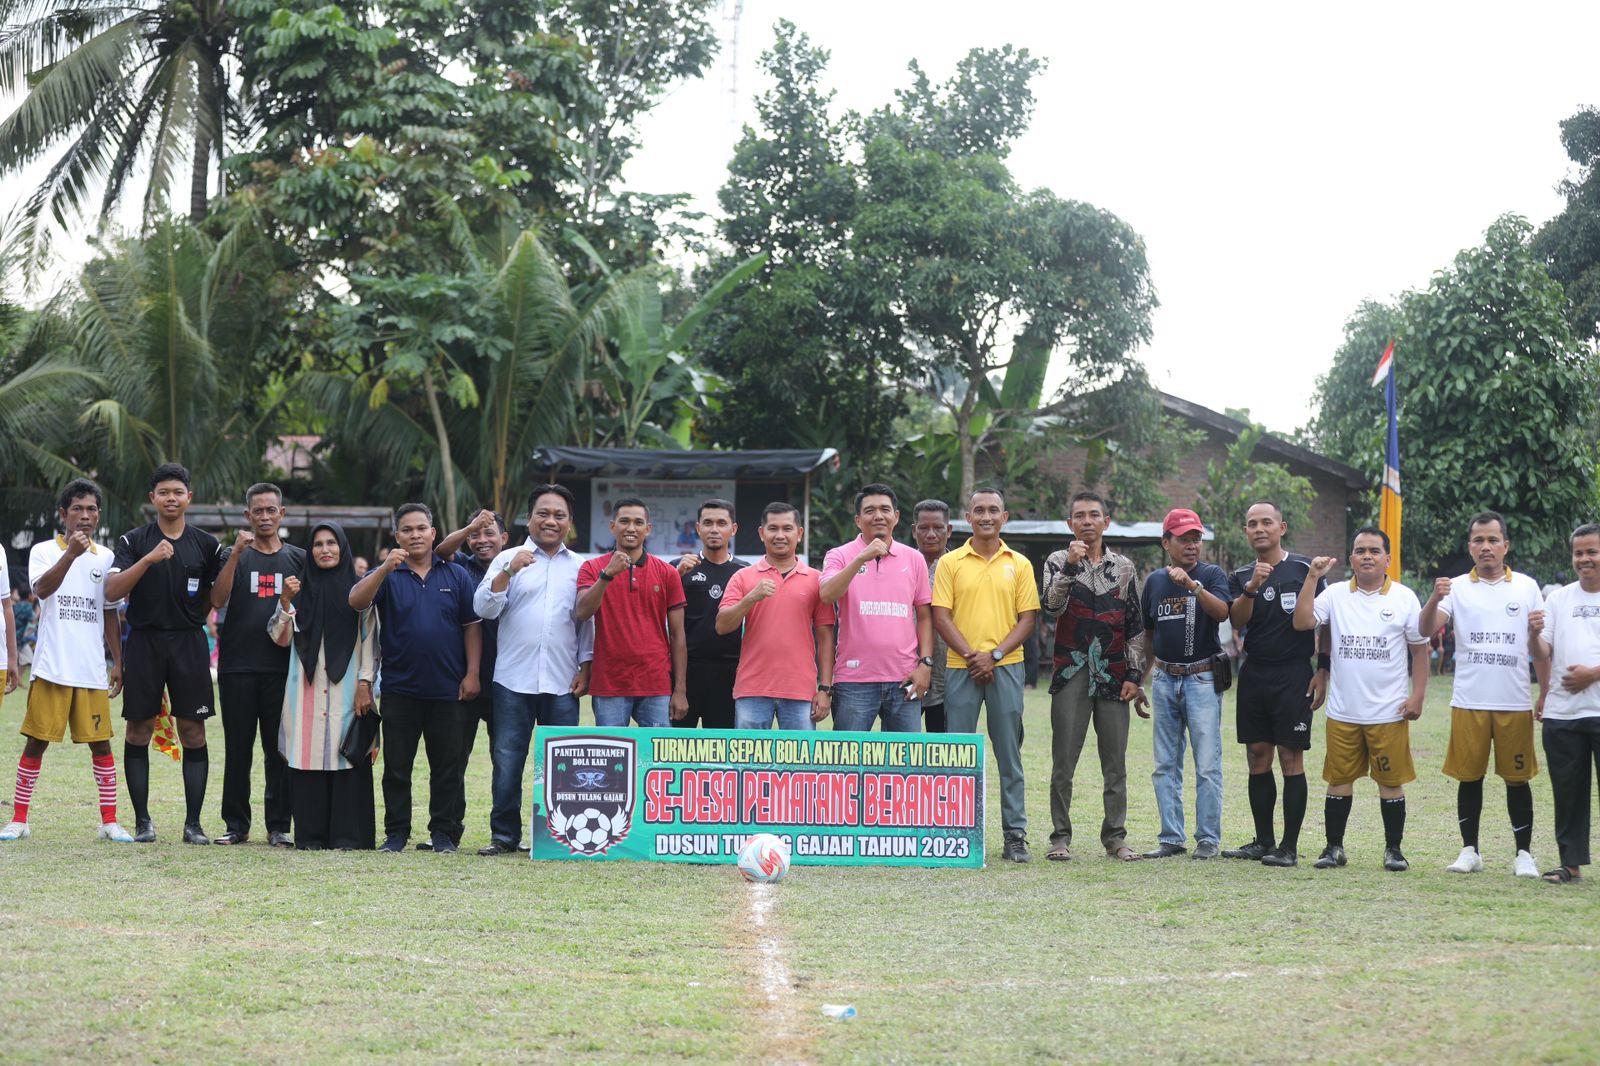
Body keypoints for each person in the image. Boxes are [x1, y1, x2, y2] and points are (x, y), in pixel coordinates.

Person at [1418, 511, 1549, 878]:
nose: (1486, 546)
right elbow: (1426, 629)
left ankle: (1523, 854)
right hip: (1469, 700)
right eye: (1479, 540)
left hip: (1514, 700)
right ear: (1470, 546)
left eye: (1493, 540)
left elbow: (1539, 651)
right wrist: (1433, 598)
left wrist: (1545, 687)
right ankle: (1470, 850)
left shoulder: (1526, 586)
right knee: (1469, 776)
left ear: (1505, 546)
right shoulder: (1456, 587)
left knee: (1517, 779)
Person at [0, 479, 132, 843]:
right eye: (77, 509)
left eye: (91, 510)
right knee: (35, 742)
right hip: (52, 665)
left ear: (98, 515)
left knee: (102, 745)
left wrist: (117, 662)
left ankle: (109, 821)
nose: (85, 516)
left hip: (91, 670)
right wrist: (71, 554)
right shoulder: (43, 550)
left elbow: (109, 613)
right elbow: (41, 590)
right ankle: (19, 819)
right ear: (63, 514)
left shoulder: (106, 558)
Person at [1292, 528, 1429, 872]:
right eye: (1360, 550)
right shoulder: (1335, 594)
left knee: (1390, 782)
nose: (1367, 556)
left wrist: (1418, 696)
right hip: (1343, 711)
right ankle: (1333, 847)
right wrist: (1312, 577)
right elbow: (1303, 621)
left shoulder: (1404, 597)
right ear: (1350, 558)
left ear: (1387, 558)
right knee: (1339, 780)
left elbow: (1420, 650)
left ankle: (1394, 850)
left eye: (1374, 550)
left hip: (1389, 712)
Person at [103, 463, 226, 845]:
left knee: (193, 731)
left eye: (178, 491)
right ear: (152, 498)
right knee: (138, 730)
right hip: (144, 641)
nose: (171, 498)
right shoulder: (133, 541)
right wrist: (149, 559)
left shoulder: (207, 544)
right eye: (164, 492)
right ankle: (143, 821)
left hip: (189, 642)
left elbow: (218, 597)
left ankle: (194, 824)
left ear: (189, 497)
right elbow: (111, 592)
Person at [348, 503, 481, 853]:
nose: (415, 534)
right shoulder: (388, 574)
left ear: (433, 533)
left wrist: (472, 674)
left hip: (448, 689)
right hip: (399, 689)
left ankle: (443, 833)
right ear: (398, 537)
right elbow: (356, 601)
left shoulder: (455, 575)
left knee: (447, 768)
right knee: (397, 768)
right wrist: (381, 570)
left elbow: (471, 628)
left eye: (421, 528)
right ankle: (396, 834)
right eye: (407, 529)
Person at [472, 485, 593, 856]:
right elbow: (483, 608)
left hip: (562, 680)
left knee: (562, 764)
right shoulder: (509, 557)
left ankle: (561, 837)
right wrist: (508, 571)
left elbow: (587, 622)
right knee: (507, 760)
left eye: (559, 515)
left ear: (570, 523)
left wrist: (586, 667)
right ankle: (504, 837)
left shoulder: (581, 566)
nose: (551, 521)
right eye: (543, 513)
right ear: (530, 517)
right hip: (512, 679)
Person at [933, 488, 1039, 863]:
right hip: (962, 668)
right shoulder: (951, 562)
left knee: (1008, 753)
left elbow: (1028, 619)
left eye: (993, 510)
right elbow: (941, 616)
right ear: (968, 516)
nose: (986, 516)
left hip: (1006, 666)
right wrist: (971, 655)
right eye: (979, 510)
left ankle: (1015, 835)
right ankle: (955, 832)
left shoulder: (1020, 563)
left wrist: (993, 655)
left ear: (1005, 516)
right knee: (957, 754)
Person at [1222, 501, 1330, 868]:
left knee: (1290, 756)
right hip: (1255, 673)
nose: (1259, 529)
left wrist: (1323, 669)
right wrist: (1252, 586)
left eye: (1266, 522)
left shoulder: (1305, 569)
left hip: (1294, 673)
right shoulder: (1240, 574)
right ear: (1246, 531)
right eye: (1252, 524)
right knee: (1257, 756)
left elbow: (1325, 623)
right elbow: (1236, 621)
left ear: (1281, 527)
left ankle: (1289, 845)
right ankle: (1264, 840)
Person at [1040, 491, 1145, 864]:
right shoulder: (1056, 560)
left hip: (1115, 675)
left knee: (1115, 762)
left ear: (1106, 522)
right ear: (1070, 524)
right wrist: (1070, 566)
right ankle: (1060, 838)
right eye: (1079, 516)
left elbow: (1135, 624)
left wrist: (1136, 673)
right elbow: (1051, 608)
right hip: (1071, 671)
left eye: (1093, 515)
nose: (1086, 521)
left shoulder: (1125, 567)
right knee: (1063, 761)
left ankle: (1115, 838)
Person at [269, 522, 378, 849]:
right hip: (305, 689)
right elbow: (279, 636)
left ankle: (348, 837)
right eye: (318, 544)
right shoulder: (299, 591)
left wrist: (365, 683)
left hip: (348, 690)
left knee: (347, 757)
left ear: (342, 548)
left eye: (332, 543)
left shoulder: (359, 593)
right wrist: (285, 602)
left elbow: (370, 640)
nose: (325, 549)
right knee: (308, 756)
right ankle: (311, 836)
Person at [209, 483, 305, 847]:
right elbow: (216, 600)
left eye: (271, 510)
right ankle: (236, 824)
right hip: (237, 667)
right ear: (247, 515)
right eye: (257, 511)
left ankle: (279, 825)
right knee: (238, 749)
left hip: (282, 668)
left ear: (282, 514)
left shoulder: (298, 558)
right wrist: (235, 553)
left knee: (277, 750)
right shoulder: (233, 554)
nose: (264, 517)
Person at [1137, 508, 1232, 860]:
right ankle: (1171, 837)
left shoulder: (1211, 574)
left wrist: (1193, 587)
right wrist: (1141, 679)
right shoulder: (1154, 582)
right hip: (1164, 678)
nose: (1192, 545)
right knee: (1165, 764)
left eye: (1196, 538)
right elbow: (1149, 633)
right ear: (1167, 543)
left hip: (1202, 677)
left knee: (1207, 764)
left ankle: (1207, 839)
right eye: (1183, 539)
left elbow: (1223, 612)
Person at [821, 484, 934, 733]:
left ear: (897, 516)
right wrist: (861, 557)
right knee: (847, 764)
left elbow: (925, 617)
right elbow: (827, 594)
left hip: (905, 679)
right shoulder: (839, 555)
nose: (878, 516)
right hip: (853, 680)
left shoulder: (914, 558)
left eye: (885, 509)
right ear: (858, 520)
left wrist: (925, 664)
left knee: (905, 765)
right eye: (870, 511)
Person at [717, 503, 836, 730]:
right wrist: (751, 598)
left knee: (801, 763)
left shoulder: (816, 580)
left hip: (801, 690)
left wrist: (825, 689)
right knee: (747, 762)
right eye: (773, 528)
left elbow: (826, 638)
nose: (780, 535)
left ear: (799, 533)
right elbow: (722, 626)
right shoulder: (742, 577)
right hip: (752, 688)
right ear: (762, 533)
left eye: (787, 528)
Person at [575, 498, 688, 727]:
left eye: (638, 522)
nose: (631, 528)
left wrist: (680, 690)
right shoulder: (593, 567)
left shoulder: (667, 573)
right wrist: (607, 575)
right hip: (609, 683)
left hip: (656, 683)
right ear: (612, 526)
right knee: (612, 757)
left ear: (648, 529)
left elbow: (678, 636)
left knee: (658, 757)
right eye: (624, 521)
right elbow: (582, 612)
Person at [433, 507, 510, 840]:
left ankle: (504, 834)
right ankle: (449, 830)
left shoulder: (517, 567)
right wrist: (471, 527)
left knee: (504, 763)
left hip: (507, 682)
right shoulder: (459, 566)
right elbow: (441, 551)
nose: (482, 540)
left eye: (490, 533)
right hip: (462, 681)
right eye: (477, 535)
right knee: (453, 759)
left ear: (505, 539)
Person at [1533, 523, 1600, 884]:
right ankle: (1570, 864)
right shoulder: (1558, 599)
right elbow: (1543, 650)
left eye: (1592, 551)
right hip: (1563, 712)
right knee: (1568, 793)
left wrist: (1593, 673)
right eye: (1579, 552)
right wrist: (1532, 633)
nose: (1584, 559)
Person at [675, 499, 746, 730]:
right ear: (698, 528)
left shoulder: (744, 572)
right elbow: (657, 615)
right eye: (708, 523)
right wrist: (676, 576)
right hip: (686, 671)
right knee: (676, 749)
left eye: (721, 523)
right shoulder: (679, 568)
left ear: (733, 529)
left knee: (721, 753)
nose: (714, 529)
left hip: (730, 673)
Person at [912, 500, 953, 733]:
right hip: (908, 669)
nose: (930, 534)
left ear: (948, 530)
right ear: (913, 530)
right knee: (906, 747)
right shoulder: (902, 564)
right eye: (923, 528)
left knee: (943, 747)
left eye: (938, 528)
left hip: (948, 670)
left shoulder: (959, 567)